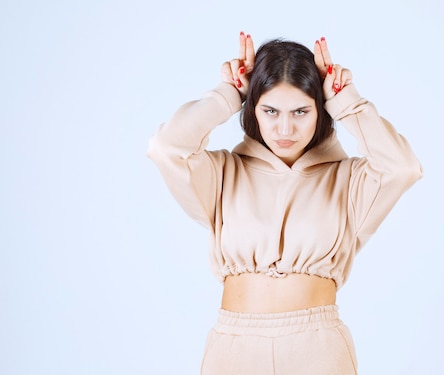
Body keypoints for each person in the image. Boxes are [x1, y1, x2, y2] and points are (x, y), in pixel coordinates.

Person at [147, 32, 423, 374]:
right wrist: (229, 94)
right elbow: (167, 148)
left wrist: (344, 100)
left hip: (318, 349)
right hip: (235, 348)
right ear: (254, 108)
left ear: (320, 110)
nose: (285, 128)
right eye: (271, 110)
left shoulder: (350, 180)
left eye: (301, 111)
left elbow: (402, 167)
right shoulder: (221, 174)